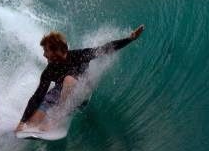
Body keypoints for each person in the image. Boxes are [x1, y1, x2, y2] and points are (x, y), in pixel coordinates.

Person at [16, 25, 145, 132]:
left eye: (46, 51)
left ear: (58, 50)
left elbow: (105, 49)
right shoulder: (49, 71)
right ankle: (33, 123)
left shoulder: (79, 55)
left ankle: (56, 118)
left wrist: (130, 39)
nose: (44, 54)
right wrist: (22, 122)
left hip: (81, 91)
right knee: (33, 121)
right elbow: (38, 96)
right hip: (60, 92)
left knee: (69, 80)